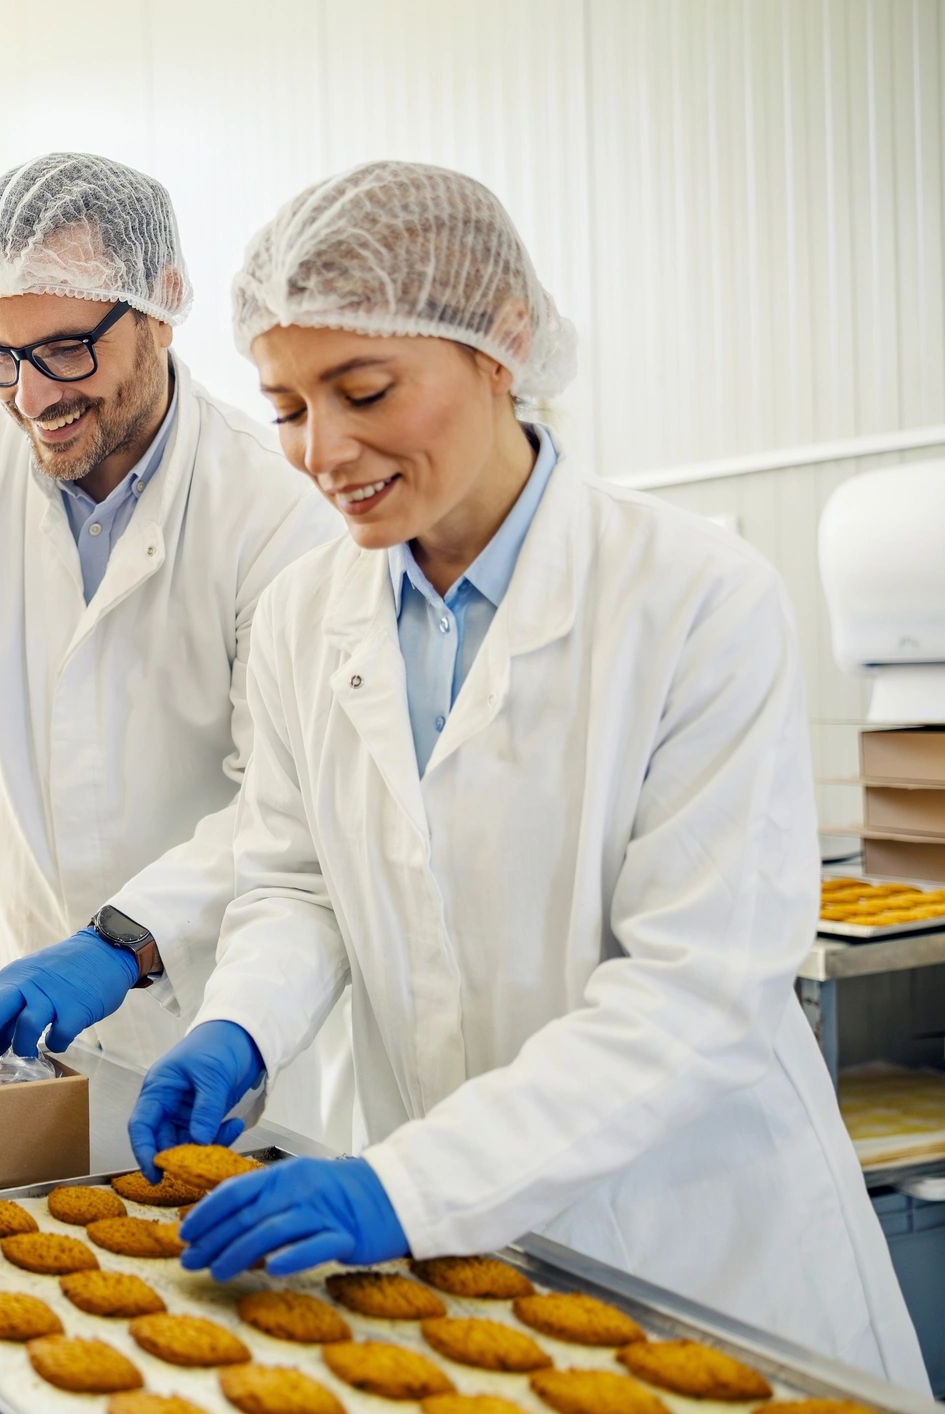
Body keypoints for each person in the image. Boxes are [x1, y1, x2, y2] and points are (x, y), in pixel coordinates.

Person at [127, 159, 927, 1387]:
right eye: (287, 408)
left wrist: (408, 1186)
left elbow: (695, 990)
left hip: (701, 1245)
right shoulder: (304, 616)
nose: (323, 450)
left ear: (502, 344)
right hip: (455, 1257)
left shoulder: (693, 598)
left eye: (364, 389)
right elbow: (297, 882)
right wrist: (241, 1024)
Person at [0, 152, 343, 1107]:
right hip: (19, 996)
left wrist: (122, 938)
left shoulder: (278, 511)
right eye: (1, 355)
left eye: (66, 351)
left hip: (214, 1015)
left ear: (159, 309)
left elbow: (286, 800)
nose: (33, 398)